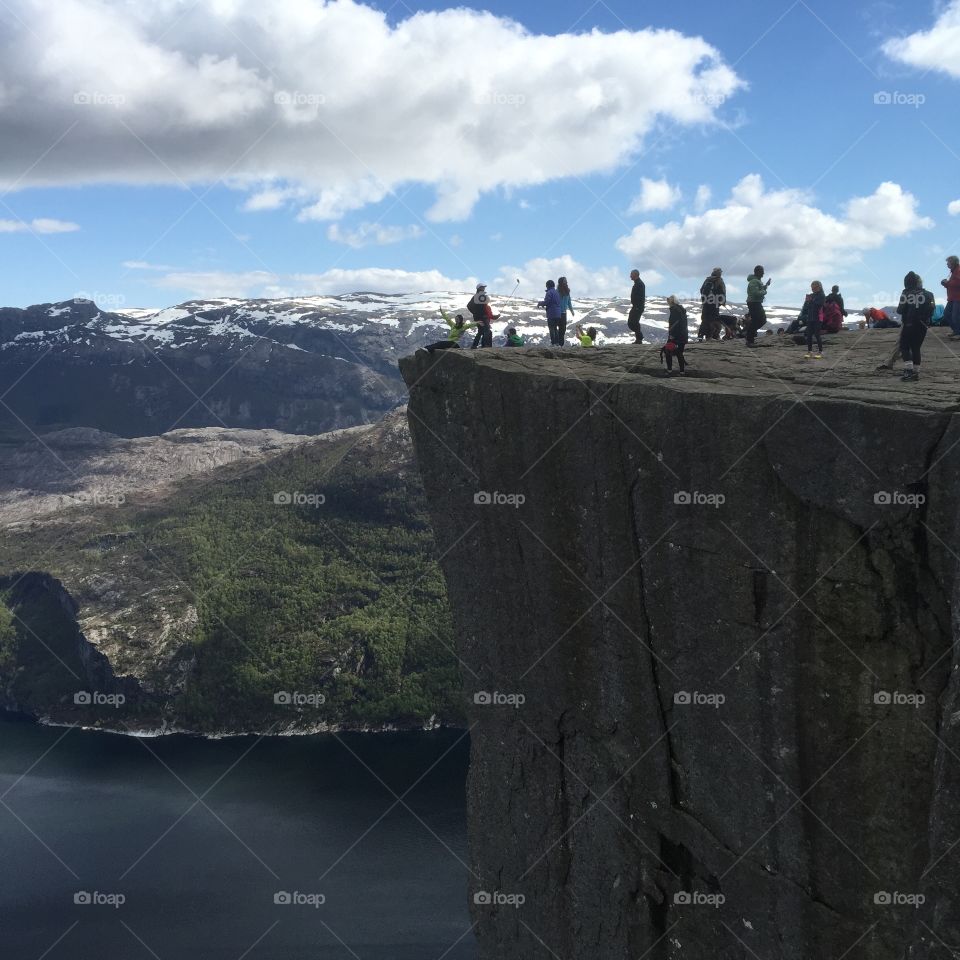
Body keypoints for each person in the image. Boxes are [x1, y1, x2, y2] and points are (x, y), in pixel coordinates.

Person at [896, 271, 935, 381]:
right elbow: (932, 309)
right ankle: (916, 372)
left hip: (909, 324)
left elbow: (900, 310)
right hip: (923, 325)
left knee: (904, 346)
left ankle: (909, 370)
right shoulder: (929, 294)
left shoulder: (906, 293)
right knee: (916, 348)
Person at [745, 265, 771, 346]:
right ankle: (749, 339)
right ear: (757, 272)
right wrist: (764, 292)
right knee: (758, 320)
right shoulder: (754, 281)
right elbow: (755, 293)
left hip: (755, 303)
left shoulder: (756, 281)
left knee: (761, 320)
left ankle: (750, 337)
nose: (763, 273)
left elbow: (759, 289)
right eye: (762, 271)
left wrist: (766, 286)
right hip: (754, 303)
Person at [468, 283, 499, 348]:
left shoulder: (475, 297)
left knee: (481, 331)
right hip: (483, 317)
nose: (484, 288)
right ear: (479, 288)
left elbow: (469, 306)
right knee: (486, 331)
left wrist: (475, 313)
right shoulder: (480, 297)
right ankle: (485, 345)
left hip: (478, 317)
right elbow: (485, 310)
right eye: (483, 287)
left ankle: (475, 345)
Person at [698, 267, 725, 340]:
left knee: (705, 319)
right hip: (714, 302)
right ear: (718, 272)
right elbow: (722, 291)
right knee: (714, 319)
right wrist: (722, 301)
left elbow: (701, 290)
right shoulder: (719, 280)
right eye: (720, 272)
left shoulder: (707, 279)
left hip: (706, 302)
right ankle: (712, 336)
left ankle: (701, 336)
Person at [664, 295, 689, 374]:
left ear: (672, 302)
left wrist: (672, 336)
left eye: (669, 300)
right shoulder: (681, 310)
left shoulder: (674, 310)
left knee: (668, 352)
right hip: (683, 335)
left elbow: (674, 324)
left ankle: (669, 370)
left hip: (676, 336)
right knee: (679, 353)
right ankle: (682, 371)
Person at [802, 281, 826, 359]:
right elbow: (805, 307)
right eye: (812, 288)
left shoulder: (822, 295)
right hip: (810, 317)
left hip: (818, 317)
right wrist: (807, 301)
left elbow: (819, 304)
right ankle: (810, 351)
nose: (813, 289)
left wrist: (811, 300)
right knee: (809, 335)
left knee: (817, 334)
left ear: (819, 287)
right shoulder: (811, 295)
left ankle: (820, 351)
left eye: (815, 288)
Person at [538, 280, 564, 346]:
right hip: (558, 313)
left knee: (551, 328)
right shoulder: (557, 293)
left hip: (552, 313)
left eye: (546, 286)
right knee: (555, 328)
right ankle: (557, 343)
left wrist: (540, 303)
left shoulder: (549, 293)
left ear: (548, 285)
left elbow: (547, 302)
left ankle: (553, 343)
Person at [941, 256, 960, 338]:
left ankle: (957, 332)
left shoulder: (958, 271)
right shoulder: (953, 272)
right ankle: (956, 331)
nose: (947, 264)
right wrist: (946, 284)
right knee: (946, 314)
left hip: (958, 298)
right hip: (952, 298)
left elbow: (957, 283)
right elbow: (953, 284)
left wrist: (946, 283)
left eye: (948, 262)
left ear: (953, 262)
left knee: (955, 316)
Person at [627, 269, 645, 344]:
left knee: (633, 322)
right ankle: (639, 338)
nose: (630, 276)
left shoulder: (640, 284)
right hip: (636, 306)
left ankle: (639, 338)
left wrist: (638, 306)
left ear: (635, 275)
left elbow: (640, 297)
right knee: (632, 322)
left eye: (631, 274)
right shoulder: (637, 283)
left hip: (638, 307)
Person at [557, 277, 574, 346]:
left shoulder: (567, 292)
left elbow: (569, 302)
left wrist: (571, 310)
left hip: (564, 313)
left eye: (566, 281)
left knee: (563, 329)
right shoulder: (557, 291)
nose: (566, 283)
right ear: (561, 282)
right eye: (565, 281)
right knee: (559, 328)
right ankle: (558, 343)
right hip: (557, 312)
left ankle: (561, 344)